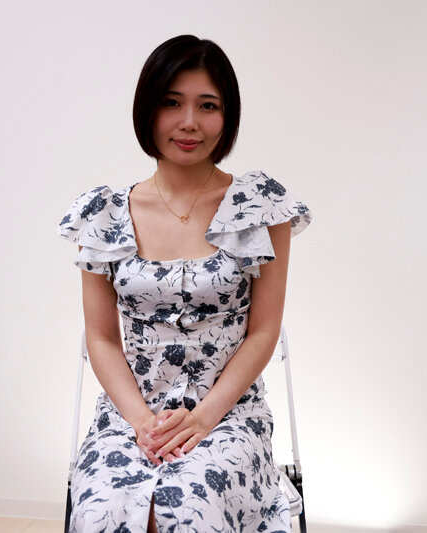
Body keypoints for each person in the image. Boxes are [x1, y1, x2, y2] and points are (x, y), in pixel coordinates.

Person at [58, 34, 311, 533]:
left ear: (227, 115)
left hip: (229, 412)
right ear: (147, 110)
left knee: (189, 508)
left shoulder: (262, 207)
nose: (189, 121)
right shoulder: (103, 214)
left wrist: (202, 418)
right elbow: (101, 338)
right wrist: (142, 423)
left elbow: (264, 331)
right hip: (130, 412)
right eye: (171, 103)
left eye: (207, 105)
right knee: (106, 510)